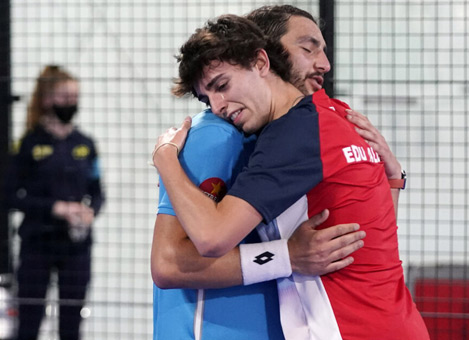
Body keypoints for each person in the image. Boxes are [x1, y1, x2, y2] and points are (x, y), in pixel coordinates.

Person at [153, 14, 428, 340]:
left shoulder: (296, 132)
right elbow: (373, 235)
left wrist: (164, 158)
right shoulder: (340, 118)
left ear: (262, 60)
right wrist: (394, 178)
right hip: (396, 323)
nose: (218, 106)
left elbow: (211, 238)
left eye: (223, 86)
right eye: (206, 98)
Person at [5, 65, 104, 340]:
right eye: (64, 97)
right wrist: (55, 208)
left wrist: (89, 212)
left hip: (76, 246)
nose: (70, 103)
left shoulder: (85, 144)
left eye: (75, 97)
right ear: (47, 99)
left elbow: (98, 192)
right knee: (29, 321)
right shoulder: (28, 144)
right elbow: (10, 195)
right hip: (37, 243)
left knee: (71, 324)